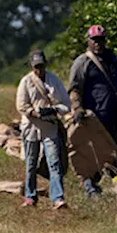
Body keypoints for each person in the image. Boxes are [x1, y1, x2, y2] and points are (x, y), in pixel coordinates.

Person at [67, 24, 117, 198]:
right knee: (93, 156)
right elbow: (75, 89)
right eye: (95, 40)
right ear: (89, 41)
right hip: (94, 118)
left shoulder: (112, 59)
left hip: (114, 116)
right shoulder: (83, 62)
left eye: (101, 40)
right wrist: (77, 108)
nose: (98, 44)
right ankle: (90, 188)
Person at [16, 50, 72, 209]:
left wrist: (53, 111)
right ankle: (30, 196)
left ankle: (58, 198)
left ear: (45, 64)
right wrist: (36, 113)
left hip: (50, 127)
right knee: (31, 163)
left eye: (41, 66)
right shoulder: (26, 81)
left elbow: (66, 104)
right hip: (31, 127)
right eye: (36, 67)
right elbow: (21, 105)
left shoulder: (54, 80)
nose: (39, 70)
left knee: (54, 163)